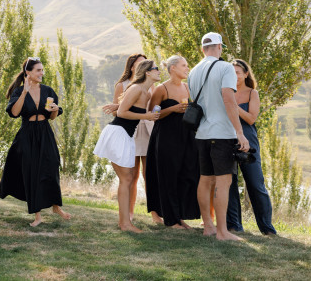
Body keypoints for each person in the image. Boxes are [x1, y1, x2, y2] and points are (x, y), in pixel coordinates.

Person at [187, 32, 249, 241]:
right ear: (220, 47)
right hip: (222, 133)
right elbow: (229, 100)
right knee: (223, 182)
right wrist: (239, 132)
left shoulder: (193, 71)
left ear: (203, 48)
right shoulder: (225, 68)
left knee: (205, 180)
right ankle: (222, 232)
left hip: (202, 133)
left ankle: (208, 227)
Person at [0, 57, 71, 227]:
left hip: (45, 132)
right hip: (27, 134)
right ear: (28, 72)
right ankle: (37, 215)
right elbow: (15, 113)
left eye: (42, 70)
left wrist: (55, 110)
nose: (41, 73)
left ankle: (56, 207)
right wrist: (24, 92)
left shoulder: (48, 90)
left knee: (52, 167)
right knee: (32, 171)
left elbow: (52, 117)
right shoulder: (19, 91)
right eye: (38, 70)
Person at [94, 60, 161, 232]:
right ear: (147, 72)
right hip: (118, 133)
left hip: (126, 135)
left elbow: (128, 107)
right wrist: (146, 116)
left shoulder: (145, 92)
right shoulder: (137, 88)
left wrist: (148, 115)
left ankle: (124, 222)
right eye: (156, 69)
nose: (159, 71)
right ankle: (125, 224)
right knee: (126, 179)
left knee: (128, 179)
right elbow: (122, 112)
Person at [146, 55, 200, 229]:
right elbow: (153, 114)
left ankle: (180, 217)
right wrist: (172, 109)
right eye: (184, 65)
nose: (187, 68)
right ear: (173, 68)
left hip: (187, 136)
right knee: (168, 176)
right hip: (166, 137)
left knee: (186, 175)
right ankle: (171, 220)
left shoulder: (187, 87)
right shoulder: (161, 89)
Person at [226, 59, 277, 235]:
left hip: (248, 141)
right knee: (230, 183)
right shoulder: (226, 91)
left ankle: (267, 228)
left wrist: (232, 104)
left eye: (238, 72)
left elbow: (251, 118)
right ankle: (234, 225)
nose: (234, 76)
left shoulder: (252, 93)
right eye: (231, 72)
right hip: (227, 138)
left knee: (255, 183)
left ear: (246, 74)